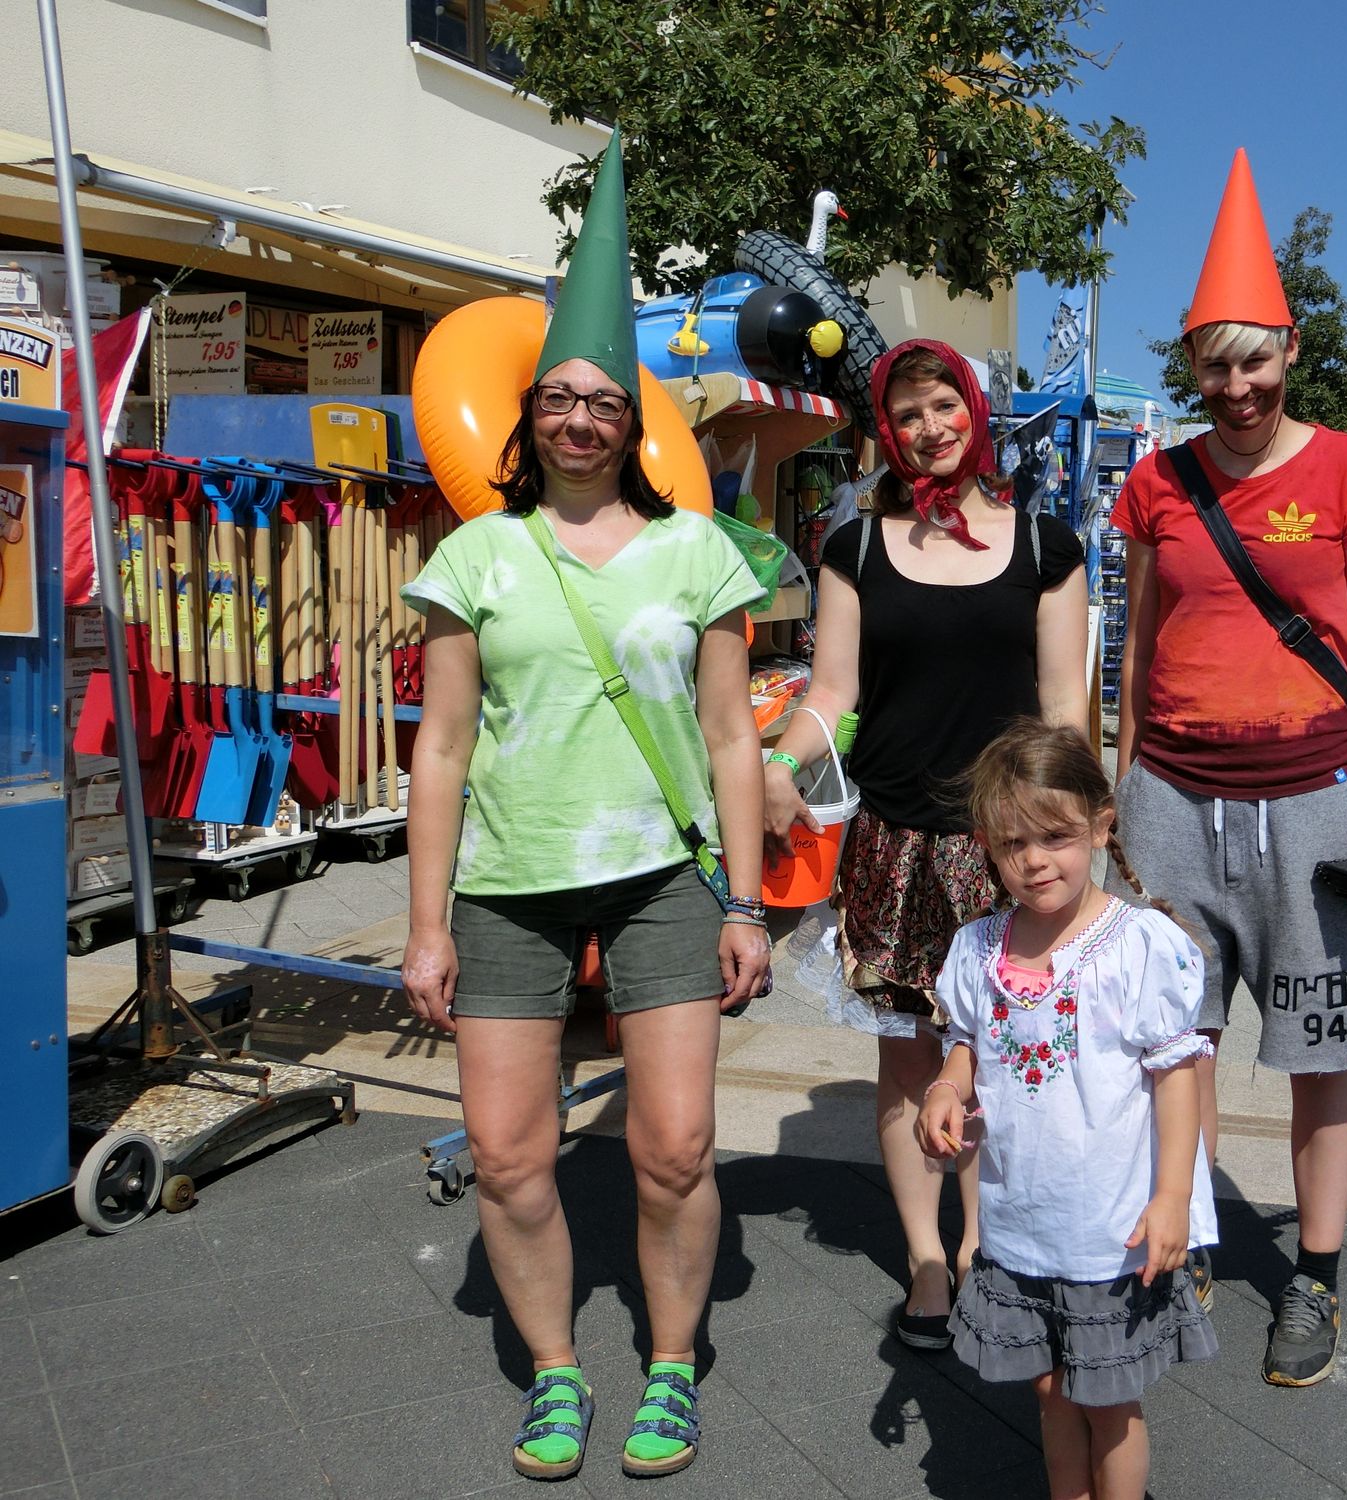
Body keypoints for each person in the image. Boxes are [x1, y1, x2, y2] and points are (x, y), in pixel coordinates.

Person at [400, 133, 769, 1482]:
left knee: (673, 1151)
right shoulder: (475, 555)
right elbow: (442, 750)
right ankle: (556, 1374)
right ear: (529, 418)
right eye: (556, 398)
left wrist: (746, 901)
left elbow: (729, 737)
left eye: (601, 400)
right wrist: (425, 924)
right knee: (509, 1160)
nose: (577, 419)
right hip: (507, 882)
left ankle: (670, 1366)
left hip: (664, 876)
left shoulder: (697, 551)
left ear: (631, 422)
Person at [1111, 149, 1347, 1389]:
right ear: (1191, 366)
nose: (1235, 387)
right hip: (1171, 802)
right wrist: (1116, 800)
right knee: (1169, 1042)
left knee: (1320, 1046)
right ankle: (1181, 1240)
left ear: (1289, 351)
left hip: (1318, 804)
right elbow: (1135, 648)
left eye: (1254, 361)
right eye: (1213, 364)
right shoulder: (1156, 481)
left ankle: (1315, 1274)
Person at [762, 338, 1088, 1351]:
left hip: (1007, 845)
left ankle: (990, 1248)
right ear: (887, 432)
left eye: (943, 404)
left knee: (1002, 1054)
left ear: (973, 411)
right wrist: (780, 764)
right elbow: (831, 693)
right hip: (892, 843)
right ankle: (927, 1261)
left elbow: (1064, 708)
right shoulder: (855, 548)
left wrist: (1080, 822)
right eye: (905, 414)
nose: (928, 427)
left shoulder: (1046, 548)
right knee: (908, 1061)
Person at [918, 719, 1216, 1500]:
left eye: (1055, 836)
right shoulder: (979, 947)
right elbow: (968, 1043)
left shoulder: (1137, 945)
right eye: (1013, 843)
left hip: (1109, 1232)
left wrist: (1173, 1197)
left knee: (1109, 1401)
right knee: (1050, 1390)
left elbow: (1176, 1076)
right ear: (987, 846)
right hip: (1021, 1223)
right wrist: (947, 1087)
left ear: (1100, 826)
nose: (1034, 860)